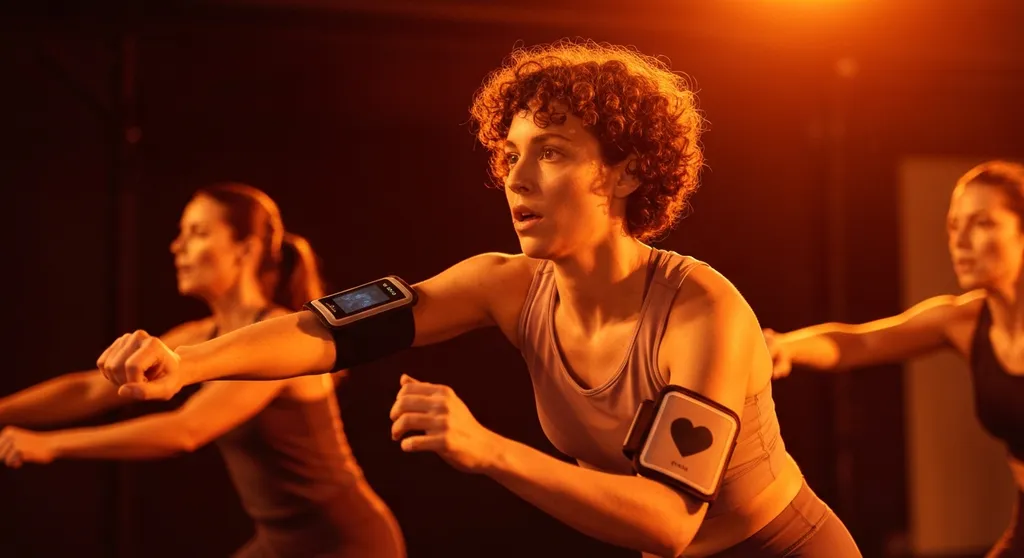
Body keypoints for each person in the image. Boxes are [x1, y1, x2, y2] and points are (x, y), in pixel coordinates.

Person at [96, 41, 860, 557]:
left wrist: (487, 448)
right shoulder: (504, 284)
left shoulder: (700, 309)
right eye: (511, 154)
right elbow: (331, 330)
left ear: (627, 173)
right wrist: (187, 362)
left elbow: (667, 518)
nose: (516, 180)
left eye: (552, 153)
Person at [0, 183, 406, 558]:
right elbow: (90, 389)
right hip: (280, 543)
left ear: (244, 251)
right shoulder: (202, 335)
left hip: (346, 543)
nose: (177, 246)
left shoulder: (281, 337)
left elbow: (185, 430)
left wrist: (50, 445)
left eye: (197, 233)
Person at [762, 160, 1024, 557]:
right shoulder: (964, 322)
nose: (961, 241)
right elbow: (859, 344)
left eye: (983, 223)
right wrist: (786, 346)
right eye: (954, 226)